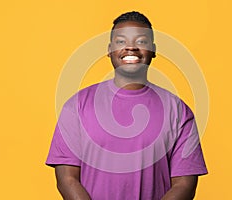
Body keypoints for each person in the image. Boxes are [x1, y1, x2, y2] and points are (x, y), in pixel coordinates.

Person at [46, 11, 207, 200]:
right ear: (109, 50)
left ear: (153, 50)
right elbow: (67, 179)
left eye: (141, 41)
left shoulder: (178, 111)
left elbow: (185, 184)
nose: (131, 47)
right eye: (121, 41)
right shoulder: (77, 106)